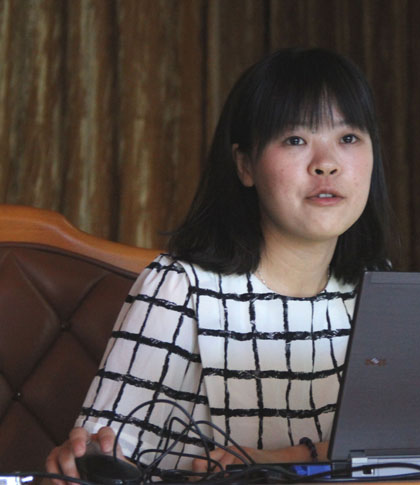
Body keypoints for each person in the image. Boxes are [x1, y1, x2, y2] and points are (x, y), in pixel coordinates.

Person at [45, 46, 393, 481]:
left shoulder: (381, 290)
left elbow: (415, 450)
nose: (326, 164)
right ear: (245, 165)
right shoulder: (180, 288)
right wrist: (83, 459)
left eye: (348, 138)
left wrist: (290, 456)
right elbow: (103, 461)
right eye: (295, 140)